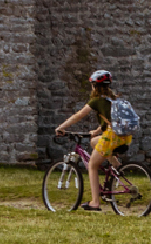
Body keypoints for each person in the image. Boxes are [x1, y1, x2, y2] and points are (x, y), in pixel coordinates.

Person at [54, 69, 131, 211]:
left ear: (95, 86)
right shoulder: (113, 100)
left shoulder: (96, 101)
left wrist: (61, 127)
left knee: (92, 166)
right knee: (94, 141)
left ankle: (95, 202)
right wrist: (95, 132)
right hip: (124, 136)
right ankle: (116, 165)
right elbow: (109, 122)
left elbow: (79, 115)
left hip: (111, 137)